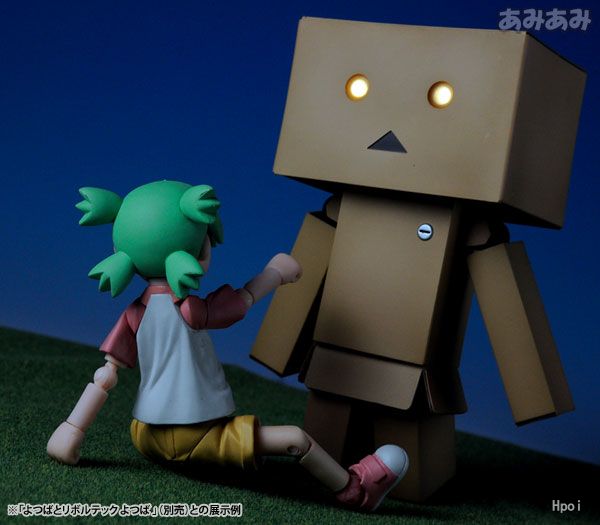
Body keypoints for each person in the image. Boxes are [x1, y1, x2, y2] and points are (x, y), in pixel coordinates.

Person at [47, 180, 409, 511]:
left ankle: (72, 434)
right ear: (199, 247)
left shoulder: (134, 313)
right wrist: (276, 273)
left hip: (145, 436)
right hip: (194, 438)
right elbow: (244, 300)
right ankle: (355, 490)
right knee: (296, 439)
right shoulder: (190, 309)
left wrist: (72, 431)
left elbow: (106, 375)